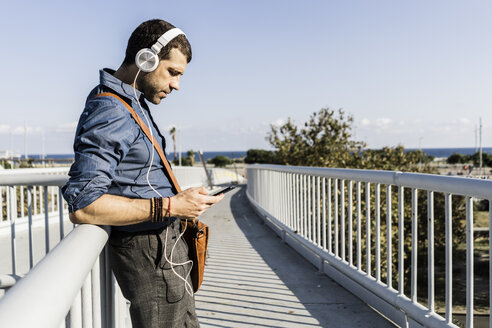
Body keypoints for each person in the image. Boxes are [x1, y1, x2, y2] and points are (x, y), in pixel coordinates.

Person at [62, 19, 223, 327]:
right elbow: (83, 204)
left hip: (164, 247)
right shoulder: (111, 111)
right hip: (149, 250)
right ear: (145, 59)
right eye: (172, 72)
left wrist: (179, 202)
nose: (176, 85)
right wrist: (172, 206)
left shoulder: (131, 102)